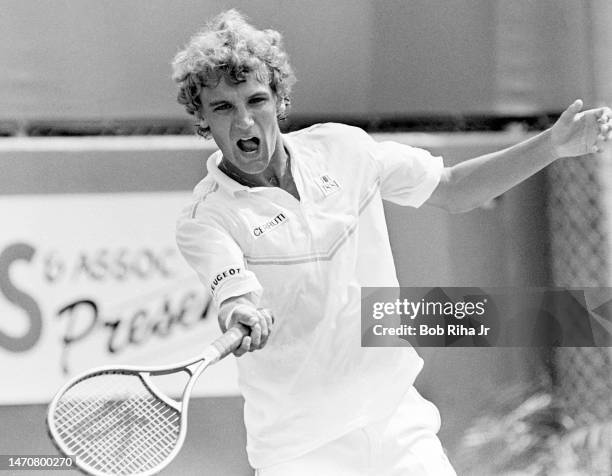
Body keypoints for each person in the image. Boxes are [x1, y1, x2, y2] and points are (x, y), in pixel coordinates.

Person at [172, 9, 611, 476]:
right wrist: (240, 309)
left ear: (279, 100)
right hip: (299, 450)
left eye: (256, 100)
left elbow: (453, 188)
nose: (243, 122)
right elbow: (233, 292)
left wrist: (553, 146)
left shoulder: (344, 151)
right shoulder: (206, 219)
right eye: (223, 107)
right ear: (201, 116)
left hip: (396, 422)